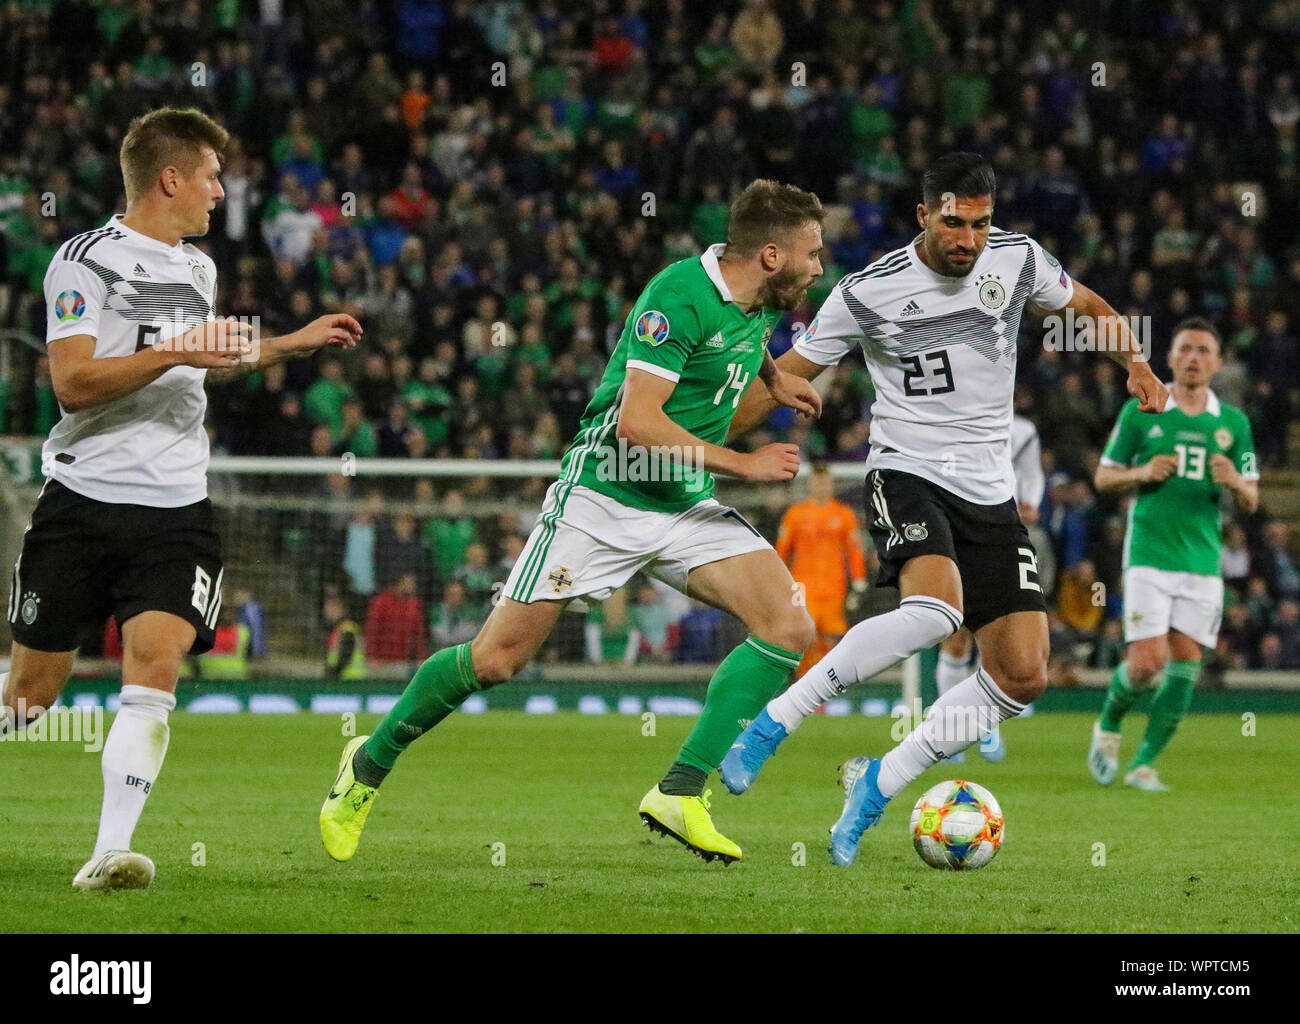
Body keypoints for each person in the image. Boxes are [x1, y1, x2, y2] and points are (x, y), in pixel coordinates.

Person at [320, 178, 826, 865]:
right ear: (771, 254)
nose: (819, 268)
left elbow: (740, 339)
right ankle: (367, 765)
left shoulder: (760, 300)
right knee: (497, 661)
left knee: (788, 626)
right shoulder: (676, 297)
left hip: (683, 503)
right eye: (812, 254)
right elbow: (637, 421)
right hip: (604, 497)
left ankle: (679, 792)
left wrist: (773, 382)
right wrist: (744, 462)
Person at [719, 152, 1168, 866]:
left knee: (1023, 674)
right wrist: (705, 442)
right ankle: (776, 720)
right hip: (906, 469)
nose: (967, 240)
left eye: (981, 224)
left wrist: (1136, 364)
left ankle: (879, 780)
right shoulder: (869, 292)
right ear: (925, 216)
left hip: (989, 490)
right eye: (954, 223)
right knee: (935, 612)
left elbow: (1082, 305)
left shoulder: (1016, 262)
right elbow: (787, 376)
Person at [0, 106, 361, 891]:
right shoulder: (84, 261)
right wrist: (172, 350)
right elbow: (72, 384)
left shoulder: (198, 268)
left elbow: (202, 362)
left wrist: (287, 344)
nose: (220, 192)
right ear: (170, 179)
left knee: (154, 666)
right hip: (82, 501)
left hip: (175, 507)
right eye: (211, 176)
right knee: (31, 695)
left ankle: (110, 852)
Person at [1087, 318, 1257, 791]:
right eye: (1186, 349)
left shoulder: (1234, 423)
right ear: (1171, 357)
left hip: (1203, 560)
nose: (1195, 358)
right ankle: (1108, 723)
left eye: (1204, 350)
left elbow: (1253, 499)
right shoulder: (1143, 409)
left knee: (1184, 669)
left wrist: (1236, 483)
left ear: (1218, 363)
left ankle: (1143, 764)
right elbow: (1103, 477)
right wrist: (1142, 471)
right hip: (1148, 552)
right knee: (1146, 664)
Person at [939, 412, 1045, 764]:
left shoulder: (1024, 429)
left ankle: (985, 727)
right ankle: (949, 731)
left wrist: (1031, 501)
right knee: (956, 633)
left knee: (996, 637)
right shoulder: (947, 416)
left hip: (1003, 533)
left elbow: (1031, 474)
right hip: (957, 529)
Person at [774, 459, 867, 678]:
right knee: (805, 638)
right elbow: (781, 552)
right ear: (810, 484)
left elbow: (854, 551)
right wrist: (778, 585)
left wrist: (858, 582)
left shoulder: (844, 515)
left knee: (831, 639)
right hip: (802, 588)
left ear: (831, 484)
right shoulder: (796, 514)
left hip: (834, 589)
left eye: (825, 482)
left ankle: (825, 689)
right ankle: (803, 687)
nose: (821, 487)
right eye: (817, 482)